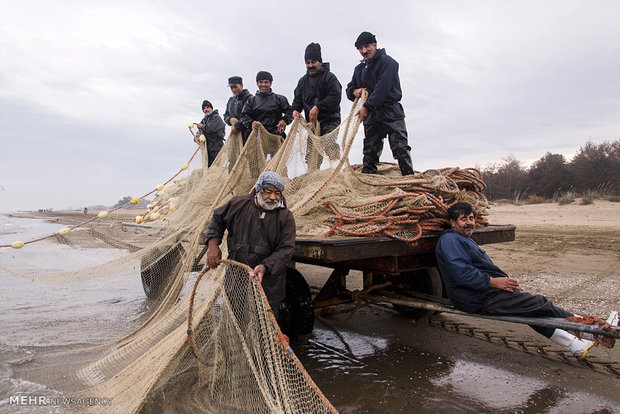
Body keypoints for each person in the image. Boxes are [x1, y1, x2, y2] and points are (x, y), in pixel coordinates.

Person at [435, 202, 618, 360]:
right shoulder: (451, 240)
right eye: (463, 219)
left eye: (471, 218)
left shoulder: (463, 238)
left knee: (530, 311)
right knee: (539, 303)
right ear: (453, 222)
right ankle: (594, 330)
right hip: (476, 297)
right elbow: (461, 273)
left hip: (483, 292)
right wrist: (494, 282)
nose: (469, 223)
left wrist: (500, 282)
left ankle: (575, 344)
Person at [205, 171, 296, 319]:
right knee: (235, 317)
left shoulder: (285, 216)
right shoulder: (238, 204)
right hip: (237, 274)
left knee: (266, 321)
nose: (273, 197)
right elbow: (217, 219)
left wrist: (266, 266)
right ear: (259, 190)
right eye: (268, 192)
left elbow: (286, 249)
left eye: (277, 193)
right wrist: (213, 246)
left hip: (268, 280)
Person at [346, 31, 414, 176]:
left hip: (390, 110)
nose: (364, 51)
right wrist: (355, 92)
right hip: (371, 115)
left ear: (375, 45)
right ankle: (368, 181)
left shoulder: (388, 63)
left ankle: (408, 177)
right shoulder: (359, 70)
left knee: (400, 147)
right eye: (360, 48)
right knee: (370, 151)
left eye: (366, 46)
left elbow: (382, 88)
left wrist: (367, 106)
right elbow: (349, 89)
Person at [292, 42, 342, 169]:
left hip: (330, 120)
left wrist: (318, 107)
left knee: (329, 146)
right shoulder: (302, 82)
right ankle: (312, 174)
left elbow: (335, 97)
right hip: (312, 125)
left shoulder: (330, 78)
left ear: (320, 61)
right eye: (307, 62)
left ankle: (337, 172)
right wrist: (295, 110)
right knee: (312, 154)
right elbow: (297, 100)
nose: (310, 65)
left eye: (313, 62)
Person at [235, 71, 293, 139]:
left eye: (266, 82)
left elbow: (291, 111)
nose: (263, 84)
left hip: (276, 136)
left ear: (270, 83)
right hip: (257, 137)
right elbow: (244, 116)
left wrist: (285, 120)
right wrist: (251, 123)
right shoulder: (251, 100)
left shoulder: (279, 99)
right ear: (257, 83)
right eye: (261, 82)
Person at [195, 100, 226, 167]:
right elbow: (198, 134)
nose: (206, 109)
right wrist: (197, 138)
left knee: (217, 168)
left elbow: (210, 129)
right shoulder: (204, 120)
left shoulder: (216, 118)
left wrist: (202, 126)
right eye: (204, 108)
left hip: (217, 149)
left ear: (211, 108)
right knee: (208, 169)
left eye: (207, 107)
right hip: (207, 151)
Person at [224, 76, 253, 144]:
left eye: (235, 87)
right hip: (235, 136)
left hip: (247, 135)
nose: (234, 90)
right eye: (231, 88)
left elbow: (250, 116)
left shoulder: (249, 98)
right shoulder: (231, 100)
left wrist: (237, 126)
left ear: (241, 85)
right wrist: (229, 119)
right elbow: (225, 115)